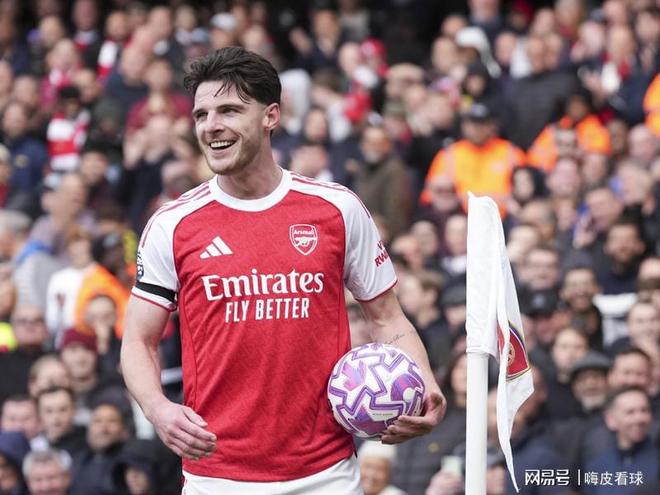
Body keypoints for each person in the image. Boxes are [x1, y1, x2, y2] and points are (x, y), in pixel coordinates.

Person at [121, 46, 446, 495]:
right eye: (201, 115)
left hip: (327, 474)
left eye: (229, 110)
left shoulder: (337, 209)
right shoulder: (171, 225)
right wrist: (157, 408)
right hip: (216, 476)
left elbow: (388, 318)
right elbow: (138, 339)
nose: (211, 125)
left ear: (270, 116)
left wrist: (424, 381)